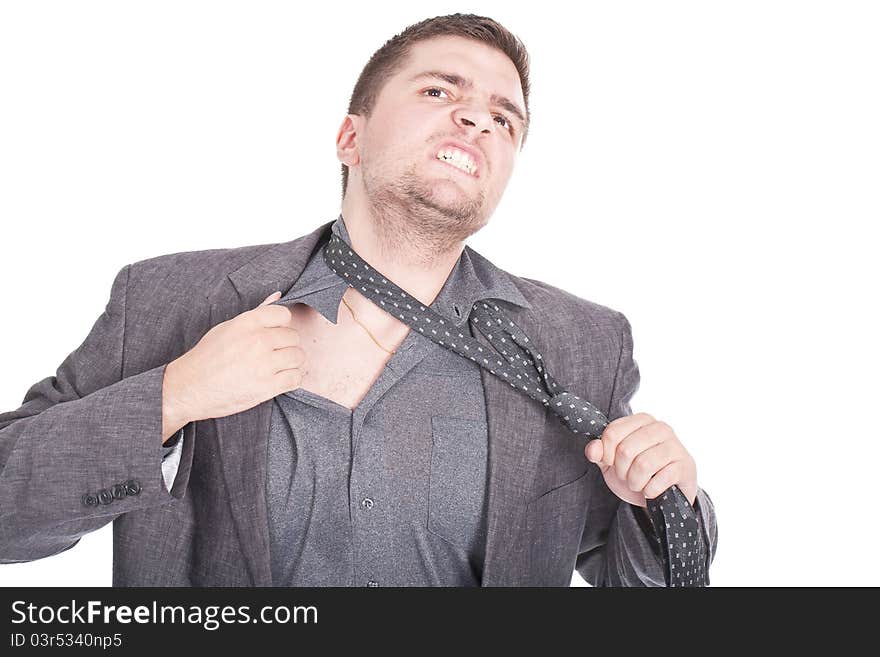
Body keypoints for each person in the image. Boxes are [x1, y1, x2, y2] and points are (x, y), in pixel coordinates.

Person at [0, 13, 717, 586]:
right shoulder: (166, 300)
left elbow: (639, 586)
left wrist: (665, 502)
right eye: (440, 91)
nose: (477, 119)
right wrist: (171, 396)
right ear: (351, 137)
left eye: (505, 119)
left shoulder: (580, 346)